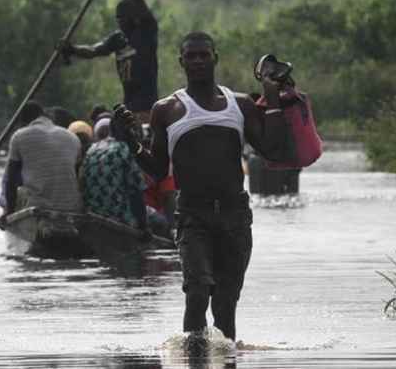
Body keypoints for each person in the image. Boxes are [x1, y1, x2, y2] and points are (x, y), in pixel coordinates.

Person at [119, 31, 289, 342]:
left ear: (215, 58)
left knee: (225, 305)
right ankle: (194, 357)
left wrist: (274, 98)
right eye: (191, 55)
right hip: (192, 215)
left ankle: (225, 359)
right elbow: (157, 169)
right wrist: (131, 142)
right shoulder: (166, 109)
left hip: (234, 216)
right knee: (197, 293)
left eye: (204, 54)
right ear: (181, 61)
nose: (198, 60)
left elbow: (272, 150)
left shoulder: (240, 105)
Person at [60, 0, 158, 125]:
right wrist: (72, 49)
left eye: (123, 17)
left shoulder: (146, 30)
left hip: (146, 106)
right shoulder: (117, 39)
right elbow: (94, 50)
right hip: (129, 105)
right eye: (117, 17)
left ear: (134, 16)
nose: (119, 21)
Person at [0, 101, 83, 230]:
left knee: (19, 191)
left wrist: (8, 213)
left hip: (40, 207)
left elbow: (11, 180)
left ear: (23, 122)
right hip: (73, 207)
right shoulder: (72, 137)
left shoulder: (19, 136)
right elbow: (77, 177)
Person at [80, 114, 150, 238]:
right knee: (160, 223)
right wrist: (143, 227)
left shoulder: (92, 149)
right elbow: (136, 193)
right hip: (119, 220)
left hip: (92, 218)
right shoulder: (125, 149)